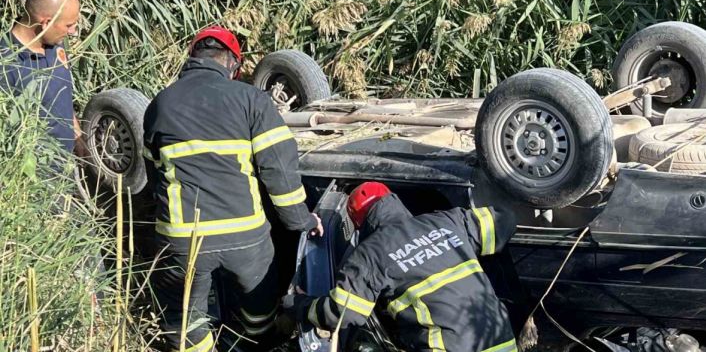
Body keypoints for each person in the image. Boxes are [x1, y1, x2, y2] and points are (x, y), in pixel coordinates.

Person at [143, 26, 323, 352]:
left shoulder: (160, 105)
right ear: (232, 65)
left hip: (183, 240)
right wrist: (302, 221)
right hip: (245, 237)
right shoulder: (250, 99)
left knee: (183, 321)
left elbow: (154, 177)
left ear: (191, 58)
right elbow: (279, 172)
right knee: (259, 309)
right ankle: (245, 344)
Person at [283, 181, 517, 352]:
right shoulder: (448, 221)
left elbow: (341, 313)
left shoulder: (370, 254)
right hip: (499, 339)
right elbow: (504, 221)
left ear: (358, 224)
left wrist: (299, 304)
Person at [0, 0, 81, 155]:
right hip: (35, 176)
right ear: (46, 23)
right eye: (69, 25)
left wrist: (78, 138)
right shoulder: (6, 65)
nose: (73, 31)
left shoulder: (54, 43)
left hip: (66, 168)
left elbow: (61, 94)